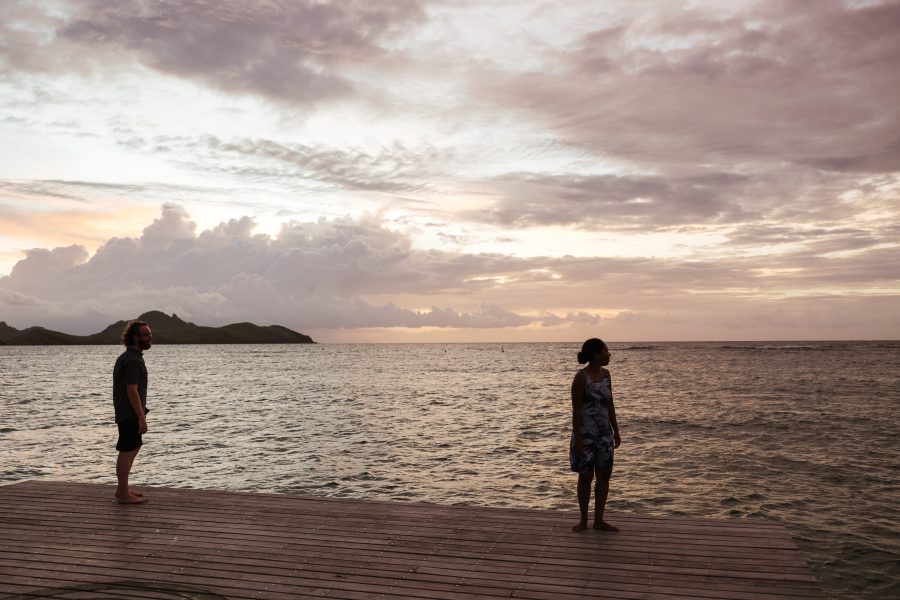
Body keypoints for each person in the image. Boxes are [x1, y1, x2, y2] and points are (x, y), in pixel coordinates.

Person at [570, 338, 621, 532]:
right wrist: (578, 439)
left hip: (604, 435)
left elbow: (610, 404)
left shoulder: (606, 375)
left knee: (604, 475)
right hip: (585, 434)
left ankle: (598, 520)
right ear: (597, 354)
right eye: (606, 351)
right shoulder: (581, 377)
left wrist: (615, 430)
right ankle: (583, 520)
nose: (609, 354)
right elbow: (575, 410)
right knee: (585, 476)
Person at [112, 320, 153, 504]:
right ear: (135, 337)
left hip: (130, 411)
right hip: (129, 412)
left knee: (134, 446)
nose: (150, 338)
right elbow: (131, 389)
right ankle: (123, 494)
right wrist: (141, 417)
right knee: (127, 449)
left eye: (149, 334)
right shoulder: (132, 360)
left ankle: (123, 489)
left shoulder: (133, 357)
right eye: (146, 334)